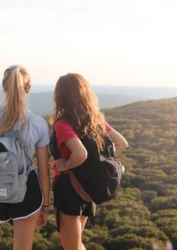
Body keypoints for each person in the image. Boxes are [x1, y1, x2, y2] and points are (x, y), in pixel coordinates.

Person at [0, 65, 50, 250]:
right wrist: (45, 206)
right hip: (27, 194)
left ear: (4, 87)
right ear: (28, 88)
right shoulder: (38, 124)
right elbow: (44, 173)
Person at [50, 73, 129, 250]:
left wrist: (66, 164)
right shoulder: (96, 120)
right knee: (77, 244)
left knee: (71, 247)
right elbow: (122, 143)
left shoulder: (63, 124)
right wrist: (99, 155)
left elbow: (81, 153)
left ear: (60, 96)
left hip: (69, 188)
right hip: (90, 187)